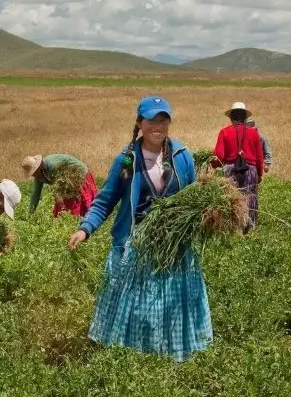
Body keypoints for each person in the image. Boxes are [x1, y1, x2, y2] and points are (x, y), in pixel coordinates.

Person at [67, 95, 213, 362]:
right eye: (151, 120)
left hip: (173, 246)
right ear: (139, 122)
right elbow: (105, 200)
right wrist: (85, 229)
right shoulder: (126, 160)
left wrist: (208, 212)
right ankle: (134, 357)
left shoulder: (182, 156)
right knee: (138, 307)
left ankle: (170, 355)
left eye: (163, 120)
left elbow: (194, 197)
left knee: (170, 304)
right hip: (136, 243)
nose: (157, 126)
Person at [211, 101, 264, 233]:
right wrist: (259, 174)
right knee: (250, 197)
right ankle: (248, 229)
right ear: (245, 117)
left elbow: (218, 155)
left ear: (231, 117)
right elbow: (259, 157)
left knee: (231, 199)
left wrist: (213, 165)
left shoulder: (224, 132)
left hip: (230, 169)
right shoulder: (253, 133)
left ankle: (232, 228)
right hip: (250, 169)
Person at [20, 153, 99, 218]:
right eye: (33, 173)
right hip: (66, 183)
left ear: (39, 166)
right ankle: (70, 220)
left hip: (78, 174)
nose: (34, 175)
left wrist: (62, 207)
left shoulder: (53, 166)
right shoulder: (38, 176)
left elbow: (59, 192)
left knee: (74, 203)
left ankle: (85, 221)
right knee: (63, 208)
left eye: (34, 171)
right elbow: (35, 194)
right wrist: (30, 215)